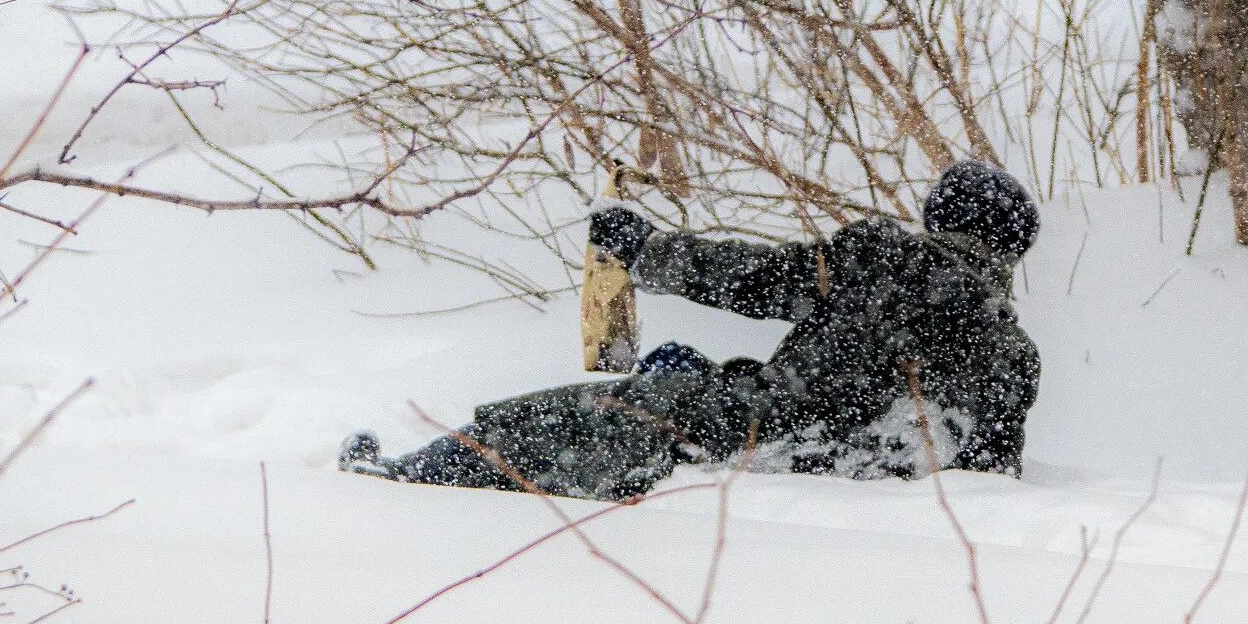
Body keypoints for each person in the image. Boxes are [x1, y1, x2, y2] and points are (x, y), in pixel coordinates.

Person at [340, 161, 1042, 501]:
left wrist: (646, 251)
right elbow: (988, 471)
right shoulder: (1017, 353)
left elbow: (757, 279)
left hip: (773, 433)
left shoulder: (891, 257)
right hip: (863, 459)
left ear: (938, 216)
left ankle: (409, 478)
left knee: (563, 419)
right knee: (678, 363)